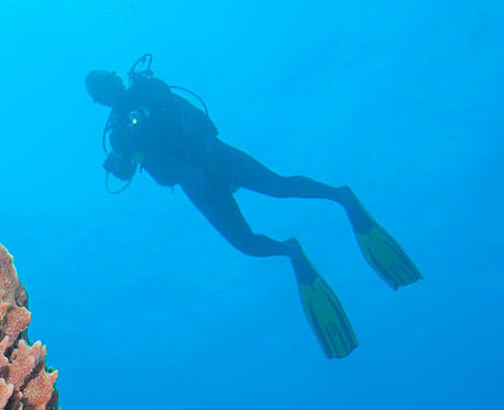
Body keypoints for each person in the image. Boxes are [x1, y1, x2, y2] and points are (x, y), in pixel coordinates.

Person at [85, 55, 422, 359]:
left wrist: (167, 121)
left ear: (116, 77)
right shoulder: (118, 135)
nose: (107, 90)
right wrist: (121, 160)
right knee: (246, 244)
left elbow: (192, 114)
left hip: (214, 157)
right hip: (198, 186)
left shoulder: (147, 88)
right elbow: (133, 170)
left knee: (279, 187)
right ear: (99, 101)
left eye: (106, 81)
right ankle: (293, 252)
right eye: (99, 91)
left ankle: (342, 197)